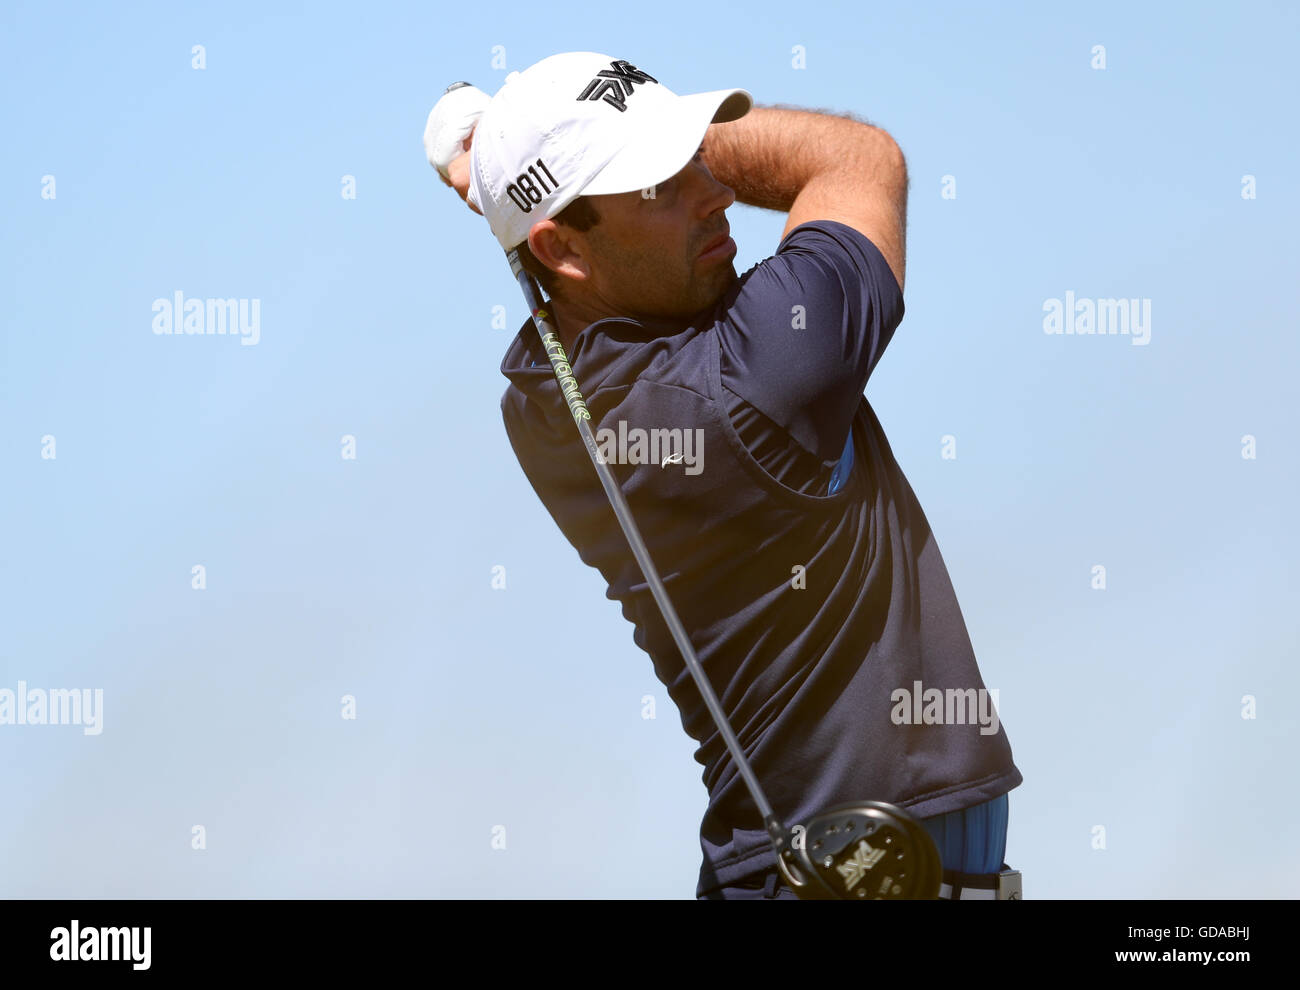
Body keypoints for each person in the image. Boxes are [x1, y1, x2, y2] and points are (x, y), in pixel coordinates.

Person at [429, 52, 1024, 899]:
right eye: (660, 183)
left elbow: (552, 264)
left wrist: (508, 178)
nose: (711, 190)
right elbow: (857, 160)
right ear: (563, 247)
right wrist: (505, 170)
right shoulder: (768, 370)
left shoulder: (542, 402)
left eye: (691, 161)